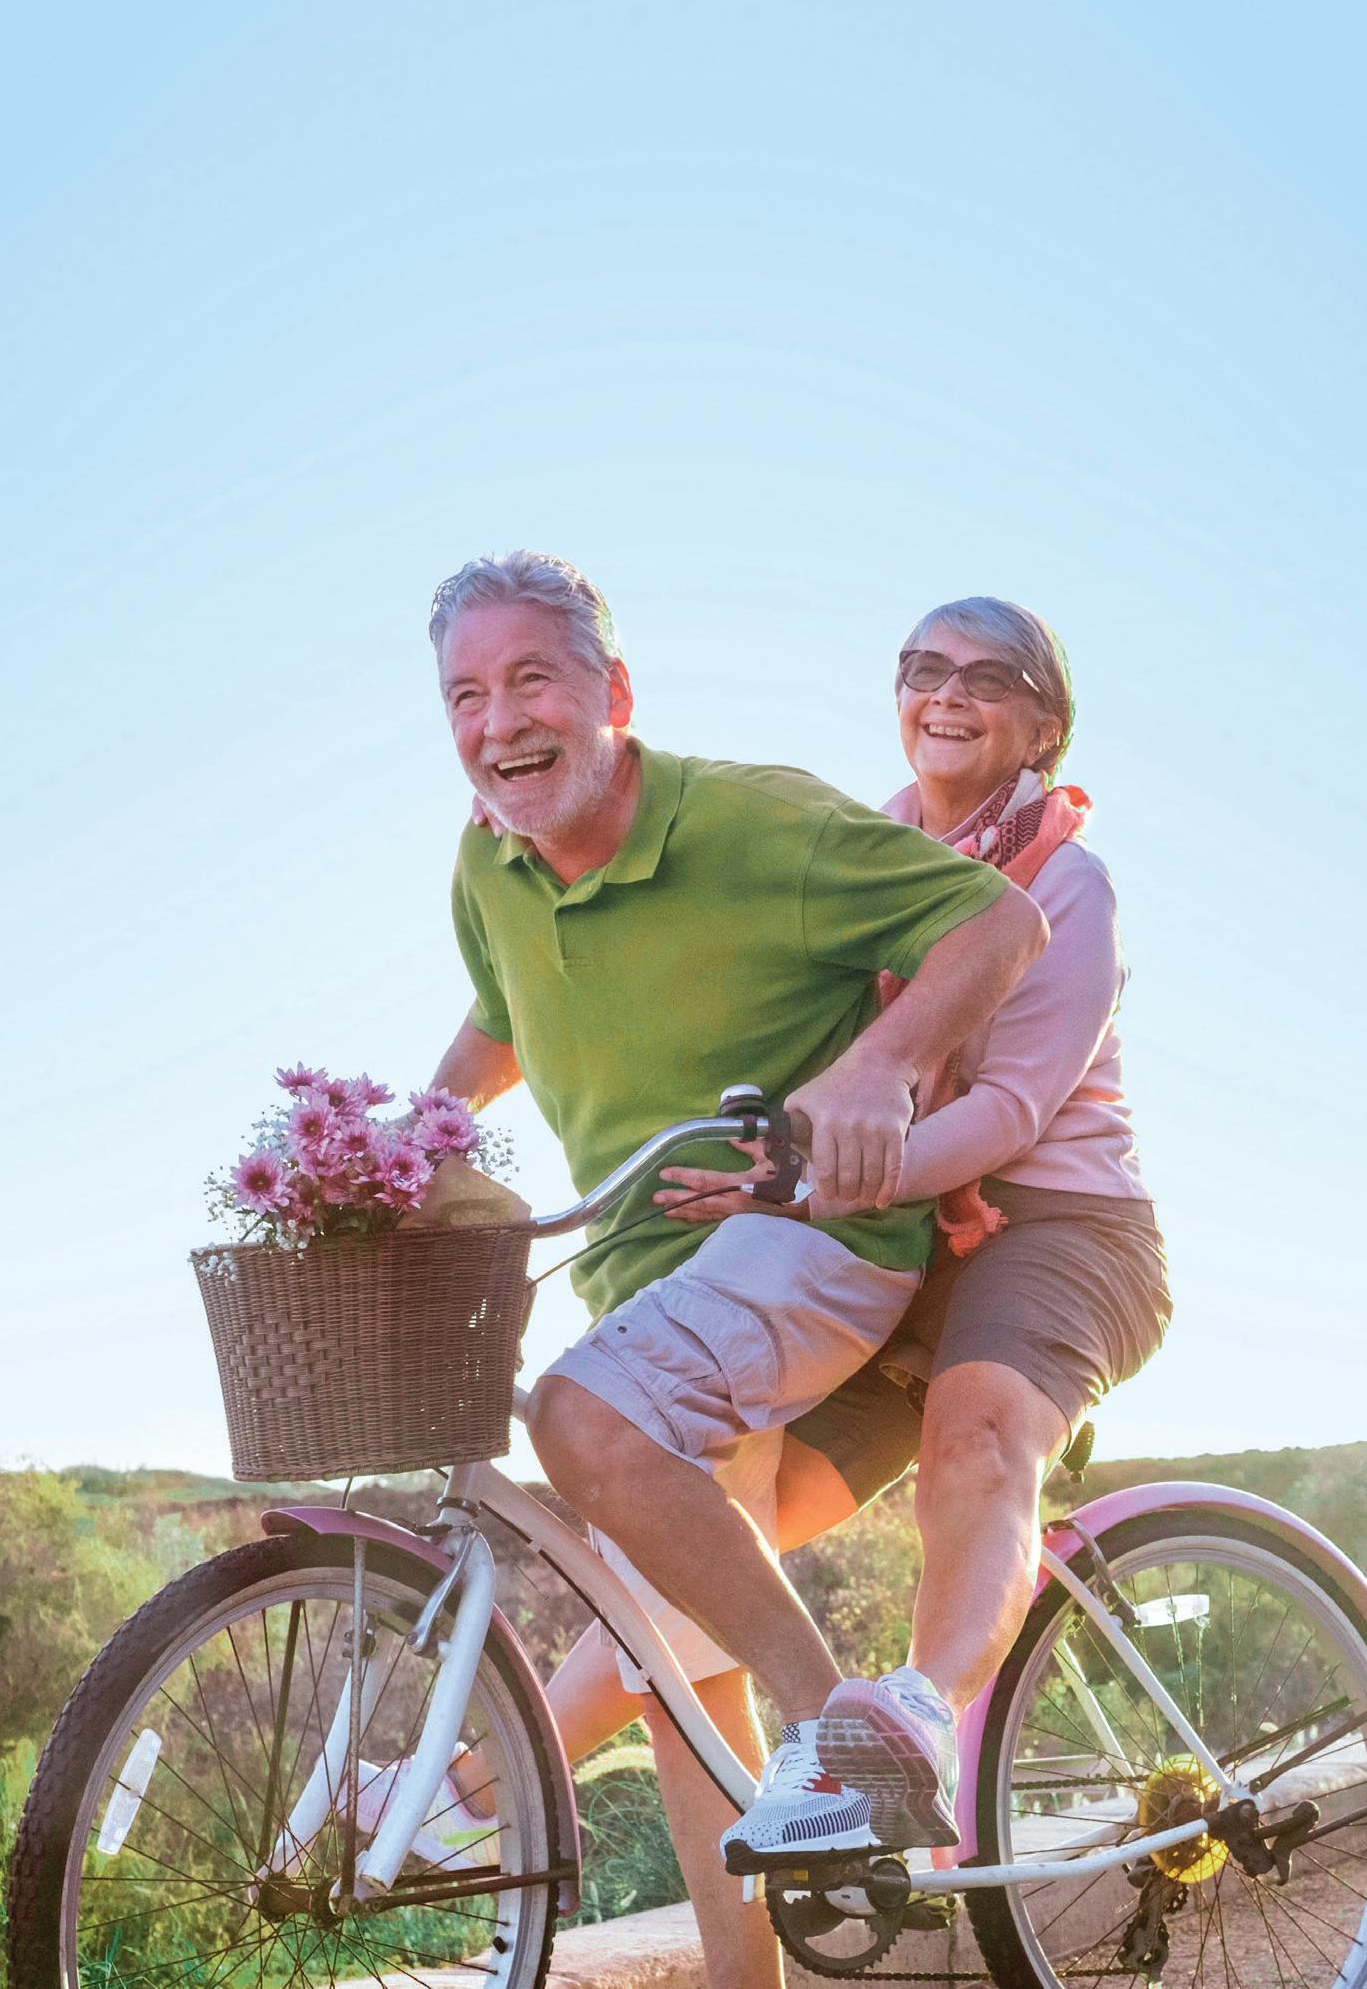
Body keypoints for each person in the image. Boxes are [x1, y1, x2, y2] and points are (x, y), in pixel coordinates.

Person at [423, 552, 1047, 1989]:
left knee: (579, 1415)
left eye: (531, 679)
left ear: (613, 692)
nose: (498, 720)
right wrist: (404, 1142)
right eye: (464, 693)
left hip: (809, 1239)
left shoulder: (754, 820)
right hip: (652, 1279)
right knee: (676, 1670)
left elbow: (998, 924)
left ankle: (843, 1738)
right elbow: (502, 1016)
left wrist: (880, 1068)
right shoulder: (487, 863)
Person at [543, 595, 1170, 1860]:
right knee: (713, 1539)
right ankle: (474, 1790)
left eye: (986, 678)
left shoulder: (1065, 880)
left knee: (971, 1435)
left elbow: (1004, 1113)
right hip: (900, 1241)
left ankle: (905, 1728)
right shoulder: (872, 847)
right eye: (922, 668)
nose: (946, 694)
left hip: (1060, 1226)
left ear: (1042, 727)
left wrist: (811, 1187)